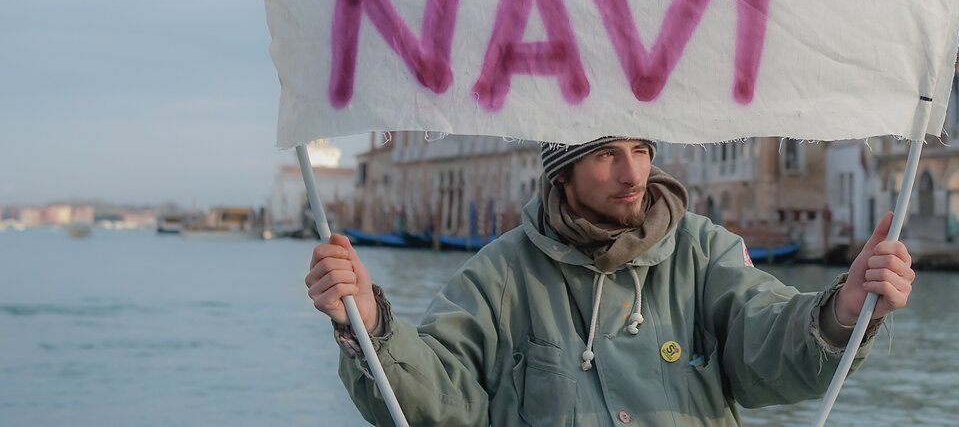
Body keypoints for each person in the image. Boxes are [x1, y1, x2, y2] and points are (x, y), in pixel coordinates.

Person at [306, 137, 916, 427]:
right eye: (606, 155)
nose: (635, 175)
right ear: (563, 173)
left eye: (642, 149)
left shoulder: (705, 251)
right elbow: (439, 401)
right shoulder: (498, 275)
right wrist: (368, 322)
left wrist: (844, 307)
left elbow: (768, 335)